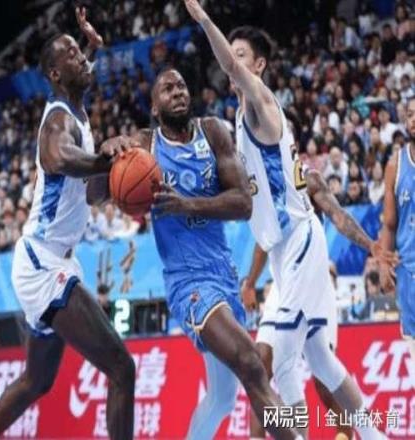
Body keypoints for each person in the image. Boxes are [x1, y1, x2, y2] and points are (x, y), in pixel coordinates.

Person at [183, 1, 386, 438]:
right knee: (317, 361)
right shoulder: (241, 119)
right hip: (281, 250)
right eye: (232, 54)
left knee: (266, 360)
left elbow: (232, 69)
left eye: (241, 55)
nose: (233, 62)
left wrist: (203, 19)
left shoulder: (262, 105)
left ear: (258, 65)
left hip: (300, 241)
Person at [88, 68, 300, 440]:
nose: (177, 92)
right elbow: (94, 195)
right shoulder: (143, 145)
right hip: (189, 284)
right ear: (155, 107)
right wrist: (106, 154)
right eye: (167, 89)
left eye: (182, 86)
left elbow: (242, 203)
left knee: (221, 399)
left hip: (223, 276)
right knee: (252, 364)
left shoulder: (213, 132)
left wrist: (187, 204)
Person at [0, 7, 136, 440]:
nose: (82, 60)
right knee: (122, 368)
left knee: (37, 380)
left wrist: (92, 46)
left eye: (80, 52)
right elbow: (58, 157)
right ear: (55, 75)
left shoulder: (76, 110)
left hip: (48, 259)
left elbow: (90, 192)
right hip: (44, 266)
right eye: (72, 55)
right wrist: (105, 162)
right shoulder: (57, 120)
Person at [241, 167, 396, 439]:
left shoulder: (307, 179)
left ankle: (355, 433)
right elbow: (262, 241)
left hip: (312, 278)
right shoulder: (261, 186)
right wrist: (251, 282)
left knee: (321, 375)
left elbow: (338, 216)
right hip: (282, 283)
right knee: (262, 366)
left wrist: (369, 245)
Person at [380, 97, 415, 363]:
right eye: (410, 115)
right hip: (408, 271)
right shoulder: (395, 164)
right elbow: (390, 224)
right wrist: (384, 264)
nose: (413, 120)